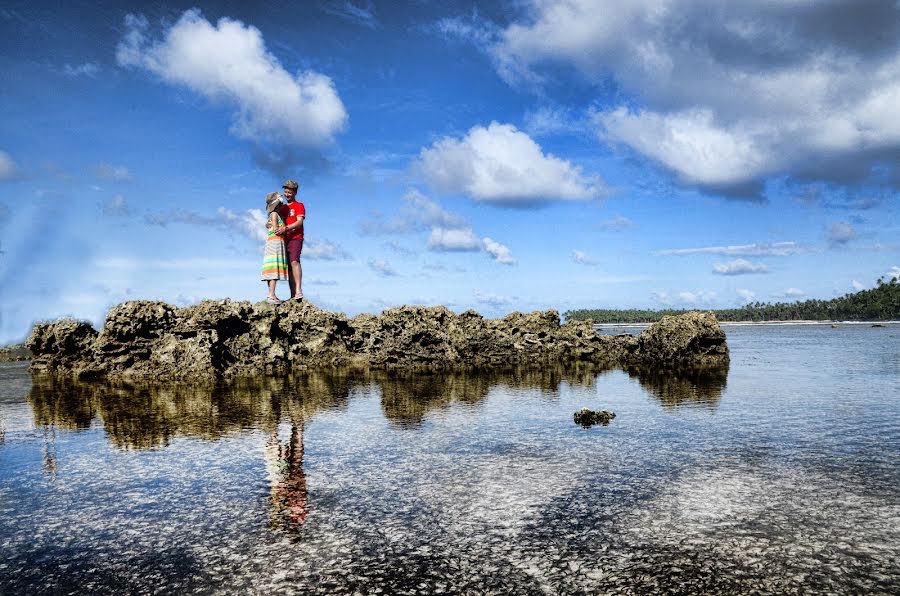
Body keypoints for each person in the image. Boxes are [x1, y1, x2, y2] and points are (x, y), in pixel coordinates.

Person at [278, 179, 306, 301]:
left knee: (294, 261)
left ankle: (299, 291)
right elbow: (275, 220)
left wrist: (286, 228)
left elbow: (299, 222)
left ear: (294, 193)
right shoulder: (282, 208)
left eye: (289, 192)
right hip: (284, 239)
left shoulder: (299, 205)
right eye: (285, 192)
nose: (287, 194)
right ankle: (292, 294)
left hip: (295, 238)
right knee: (289, 267)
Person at [261, 192, 289, 304]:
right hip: (275, 243)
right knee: (273, 269)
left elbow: (269, 225)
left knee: (273, 269)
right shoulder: (274, 214)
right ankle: (271, 295)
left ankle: (271, 295)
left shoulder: (274, 215)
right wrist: (285, 228)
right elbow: (277, 230)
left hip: (275, 242)